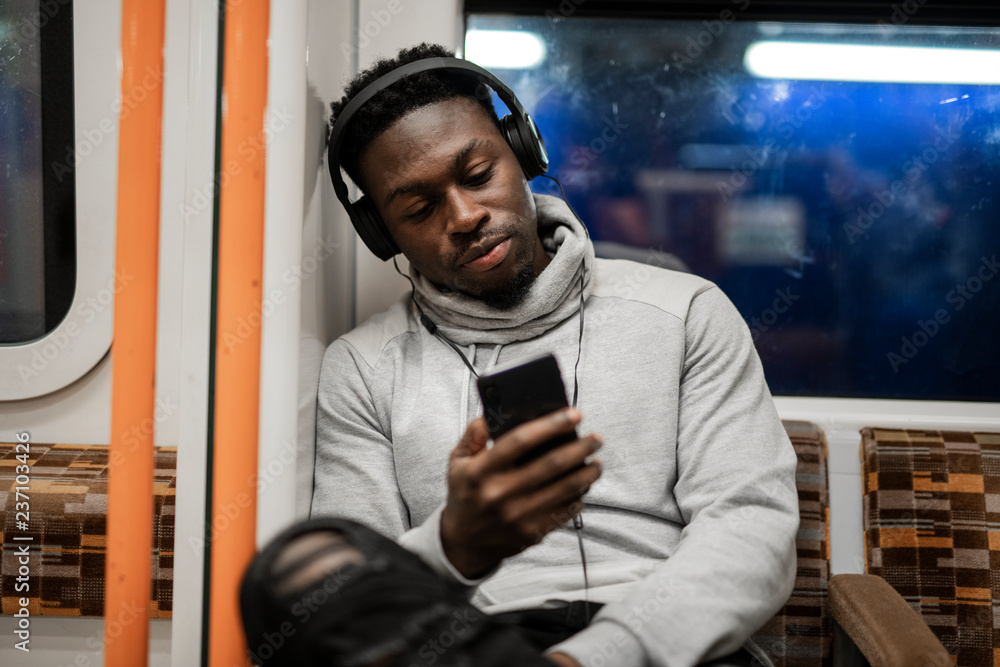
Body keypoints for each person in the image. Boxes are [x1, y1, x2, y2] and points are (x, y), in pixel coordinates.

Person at [306, 42, 799, 667]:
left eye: (479, 174)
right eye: (420, 208)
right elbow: (350, 606)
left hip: (669, 645)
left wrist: (592, 657)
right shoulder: (364, 368)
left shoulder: (685, 312)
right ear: (381, 233)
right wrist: (454, 544)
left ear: (522, 152)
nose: (464, 216)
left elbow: (750, 530)